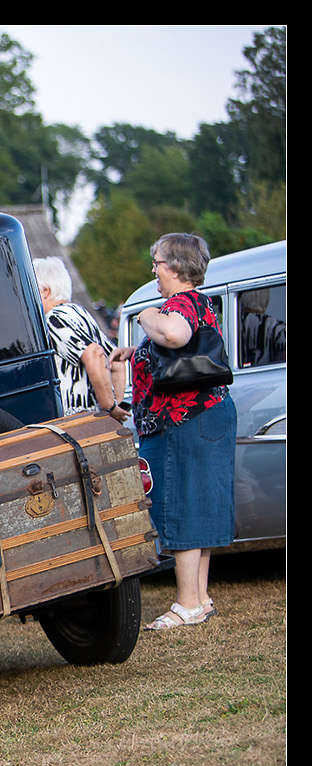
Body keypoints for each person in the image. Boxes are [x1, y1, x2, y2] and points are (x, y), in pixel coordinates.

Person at [109, 233, 236, 630]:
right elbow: (181, 351)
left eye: (158, 262)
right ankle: (199, 598)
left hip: (183, 422)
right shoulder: (199, 303)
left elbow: (175, 335)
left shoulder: (178, 305)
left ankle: (187, 603)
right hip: (207, 415)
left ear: (177, 267)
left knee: (179, 505)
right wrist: (138, 352)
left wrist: (145, 315)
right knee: (199, 505)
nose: (154, 269)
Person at [33, 256, 125, 421]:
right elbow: (117, 359)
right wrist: (115, 406)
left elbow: (94, 352)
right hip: (95, 417)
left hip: (79, 419)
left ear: (46, 291)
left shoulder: (54, 319)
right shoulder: (80, 312)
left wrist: (109, 407)